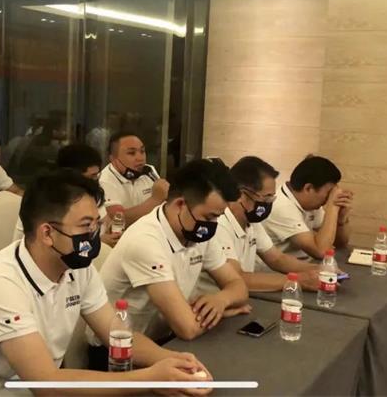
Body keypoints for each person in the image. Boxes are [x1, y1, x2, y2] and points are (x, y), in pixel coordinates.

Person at [0, 169, 212, 396]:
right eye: (85, 226)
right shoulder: (1, 285)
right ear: (47, 233)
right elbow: (46, 384)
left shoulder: (76, 267)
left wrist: (173, 361)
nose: (94, 235)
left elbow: (118, 336)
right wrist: (149, 378)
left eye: (96, 225)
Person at [90, 158, 249, 367]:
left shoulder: (198, 232)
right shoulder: (146, 241)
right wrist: (226, 312)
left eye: (217, 218)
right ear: (180, 205)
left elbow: (238, 286)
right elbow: (187, 328)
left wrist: (221, 300)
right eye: (209, 217)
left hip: (168, 340)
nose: (212, 225)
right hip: (118, 352)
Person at [196, 156, 321, 295]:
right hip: (213, 300)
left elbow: (277, 258)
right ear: (242, 195)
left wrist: (319, 270)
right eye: (266, 198)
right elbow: (238, 278)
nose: (269, 204)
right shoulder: (219, 224)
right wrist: (298, 280)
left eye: (272, 198)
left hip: (239, 298)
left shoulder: (250, 221)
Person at [12, 143, 123, 246]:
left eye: (97, 176)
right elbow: (58, 246)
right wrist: (99, 243)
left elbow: (106, 222)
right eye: (92, 176)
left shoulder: (90, 196)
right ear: (72, 175)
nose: (96, 182)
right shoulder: (45, 200)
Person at [262, 155, 353, 260]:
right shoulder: (281, 206)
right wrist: (333, 207)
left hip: (304, 265)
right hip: (281, 269)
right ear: (308, 188)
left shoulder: (310, 203)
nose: (328, 198)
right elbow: (321, 252)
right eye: (329, 193)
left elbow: (340, 244)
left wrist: (341, 221)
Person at [98, 132, 169, 227]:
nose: (140, 158)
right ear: (113, 158)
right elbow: (116, 221)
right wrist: (155, 200)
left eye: (142, 151)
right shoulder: (104, 180)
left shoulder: (149, 170)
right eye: (131, 153)